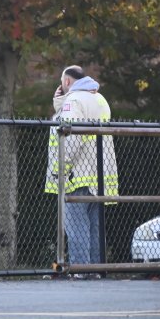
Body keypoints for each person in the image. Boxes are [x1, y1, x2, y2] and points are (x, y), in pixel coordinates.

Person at [44, 65, 118, 265]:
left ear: (66, 82)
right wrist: (61, 104)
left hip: (76, 177)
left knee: (77, 229)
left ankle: (80, 269)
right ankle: (95, 269)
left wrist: (60, 170)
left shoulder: (74, 101)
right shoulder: (99, 99)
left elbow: (71, 138)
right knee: (94, 228)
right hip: (99, 177)